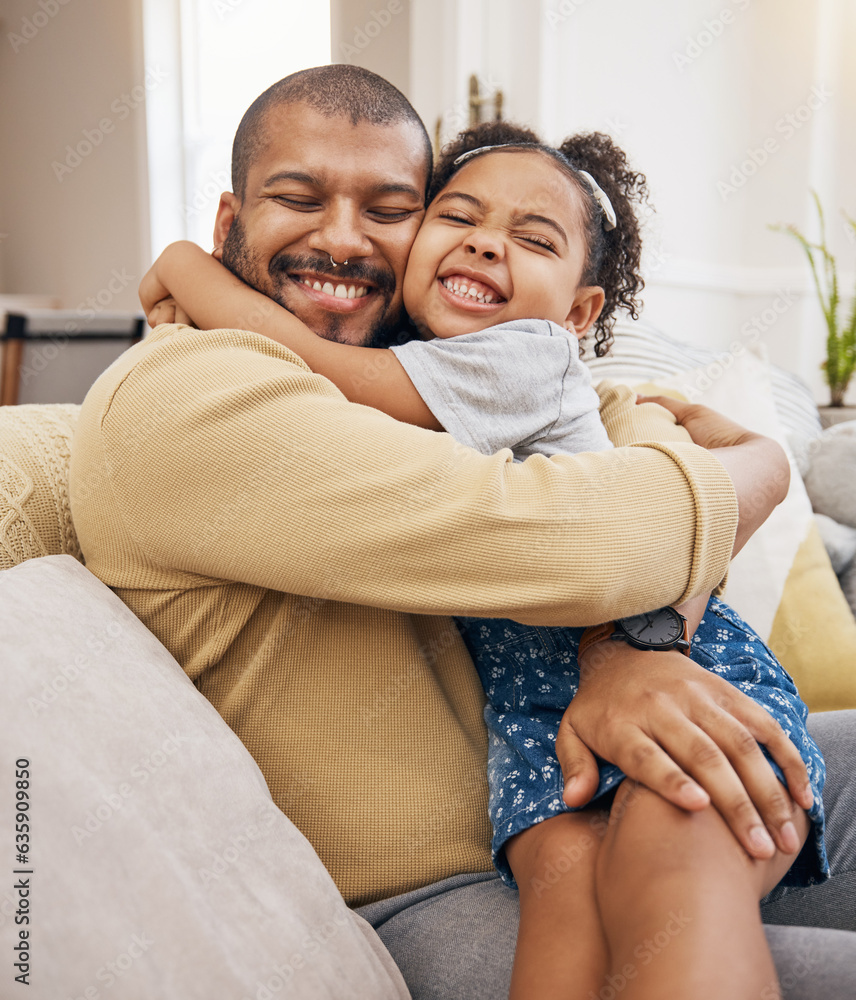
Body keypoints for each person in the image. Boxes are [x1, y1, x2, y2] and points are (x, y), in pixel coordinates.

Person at [69, 65, 856, 999]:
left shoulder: (414, 367)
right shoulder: (195, 395)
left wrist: (628, 645)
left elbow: (629, 415)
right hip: (444, 881)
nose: (343, 238)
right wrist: (755, 475)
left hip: (565, 743)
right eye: (299, 198)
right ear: (229, 225)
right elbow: (581, 538)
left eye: (390, 207)